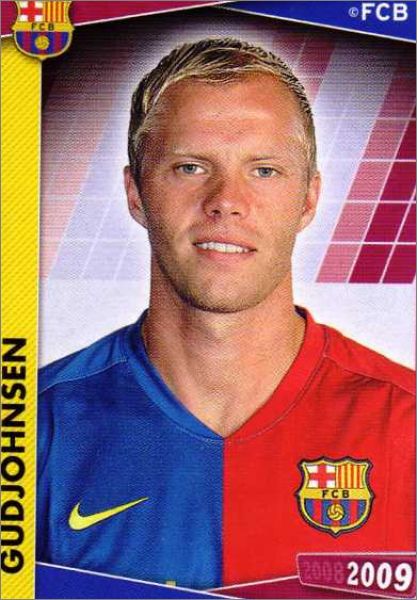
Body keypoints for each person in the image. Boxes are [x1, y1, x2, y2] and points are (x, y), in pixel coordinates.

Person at [37, 38, 415, 590]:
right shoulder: (30, 431)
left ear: (309, 199)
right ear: (136, 194)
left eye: (264, 171)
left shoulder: (405, 425)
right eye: (190, 167)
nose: (226, 200)